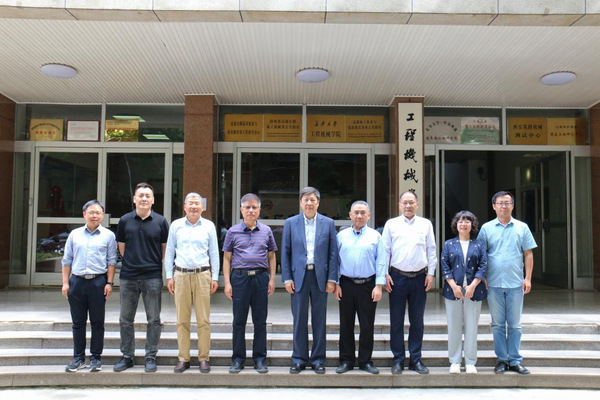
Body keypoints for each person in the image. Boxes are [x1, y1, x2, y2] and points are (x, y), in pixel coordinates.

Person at [478, 190, 536, 375]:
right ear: (494, 206)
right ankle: (502, 360)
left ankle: (515, 360)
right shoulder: (486, 228)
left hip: (516, 283)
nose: (504, 206)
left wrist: (528, 278)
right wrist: (481, 276)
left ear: (513, 205)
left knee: (515, 325)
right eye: (500, 203)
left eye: (507, 203)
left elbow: (528, 253)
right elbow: (480, 254)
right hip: (493, 283)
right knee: (497, 324)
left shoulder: (522, 227)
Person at [281, 186, 339, 374]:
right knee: (299, 319)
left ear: (318, 203)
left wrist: (332, 278)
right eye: (305, 200)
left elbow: (333, 253)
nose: (309, 203)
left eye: (312, 200)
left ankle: (318, 359)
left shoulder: (328, 223)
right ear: (300, 203)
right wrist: (287, 278)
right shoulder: (291, 223)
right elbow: (285, 252)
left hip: (320, 277)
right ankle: (299, 359)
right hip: (299, 276)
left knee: (319, 320)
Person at [114, 182, 169, 373]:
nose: (144, 199)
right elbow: (122, 247)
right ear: (134, 199)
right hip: (128, 276)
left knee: (153, 319)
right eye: (141, 195)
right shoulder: (125, 220)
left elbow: (164, 249)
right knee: (125, 319)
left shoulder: (161, 221)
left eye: (148, 196)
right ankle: (127, 356)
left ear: (153, 200)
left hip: (152, 276)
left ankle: (150, 356)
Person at [164, 192, 220, 373]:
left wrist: (215, 277)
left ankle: (204, 358)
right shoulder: (176, 225)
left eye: (197, 204)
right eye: (191, 203)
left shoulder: (209, 226)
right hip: (181, 275)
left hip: (202, 275)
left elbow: (214, 253)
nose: (194, 207)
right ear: (185, 207)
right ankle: (183, 358)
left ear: (203, 207)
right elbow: (169, 252)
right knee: (182, 320)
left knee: (203, 320)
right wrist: (169, 276)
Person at [382, 190, 437, 375]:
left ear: (417, 205)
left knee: (417, 321)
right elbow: (385, 251)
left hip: (420, 278)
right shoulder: (391, 224)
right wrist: (384, 274)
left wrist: (431, 274)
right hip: (397, 277)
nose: (408, 206)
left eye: (411, 202)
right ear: (399, 205)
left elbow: (431, 250)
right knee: (396, 321)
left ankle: (415, 359)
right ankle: (398, 359)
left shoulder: (426, 224)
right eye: (404, 202)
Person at [223, 193, 277, 374]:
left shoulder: (267, 231)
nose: (251, 210)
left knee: (260, 321)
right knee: (239, 321)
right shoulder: (232, 232)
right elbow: (227, 258)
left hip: (261, 278)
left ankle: (259, 359)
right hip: (240, 279)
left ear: (259, 210)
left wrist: (272, 279)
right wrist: (227, 282)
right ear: (241, 210)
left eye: (254, 207)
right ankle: (238, 359)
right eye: (247, 207)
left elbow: (271, 256)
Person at [61, 200, 117, 372]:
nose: (94, 216)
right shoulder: (75, 234)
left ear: (103, 215)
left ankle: (95, 358)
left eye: (98, 213)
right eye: (91, 212)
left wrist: (109, 283)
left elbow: (112, 261)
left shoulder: (108, 235)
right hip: (77, 281)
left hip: (98, 282)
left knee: (97, 322)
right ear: (84, 214)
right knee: (78, 322)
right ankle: (78, 358)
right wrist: (65, 282)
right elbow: (67, 259)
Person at [334, 201, 387, 375]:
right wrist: (336, 284)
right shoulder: (341, 236)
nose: (359, 216)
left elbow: (381, 261)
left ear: (368, 216)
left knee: (367, 325)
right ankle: (346, 360)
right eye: (356, 212)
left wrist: (378, 286)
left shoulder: (375, 236)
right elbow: (335, 261)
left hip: (368, 285)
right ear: (350, 215)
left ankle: (365, 361)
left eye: (363, 213)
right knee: (346, 324)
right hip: (346, 285)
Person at [441, 211, 487, 374]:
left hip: (474, 291)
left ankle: (470, 361)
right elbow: (445, 266)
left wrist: (473, 285)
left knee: (471, 327)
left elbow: (483, 266)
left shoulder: (479, 245)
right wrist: (453, 286)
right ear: (456, 224)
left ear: (472, 225)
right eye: (460, 221)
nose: (463, 224)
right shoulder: (449, 244)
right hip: (452, 290)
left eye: (467, 221)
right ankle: (454, 361)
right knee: (453, 326)